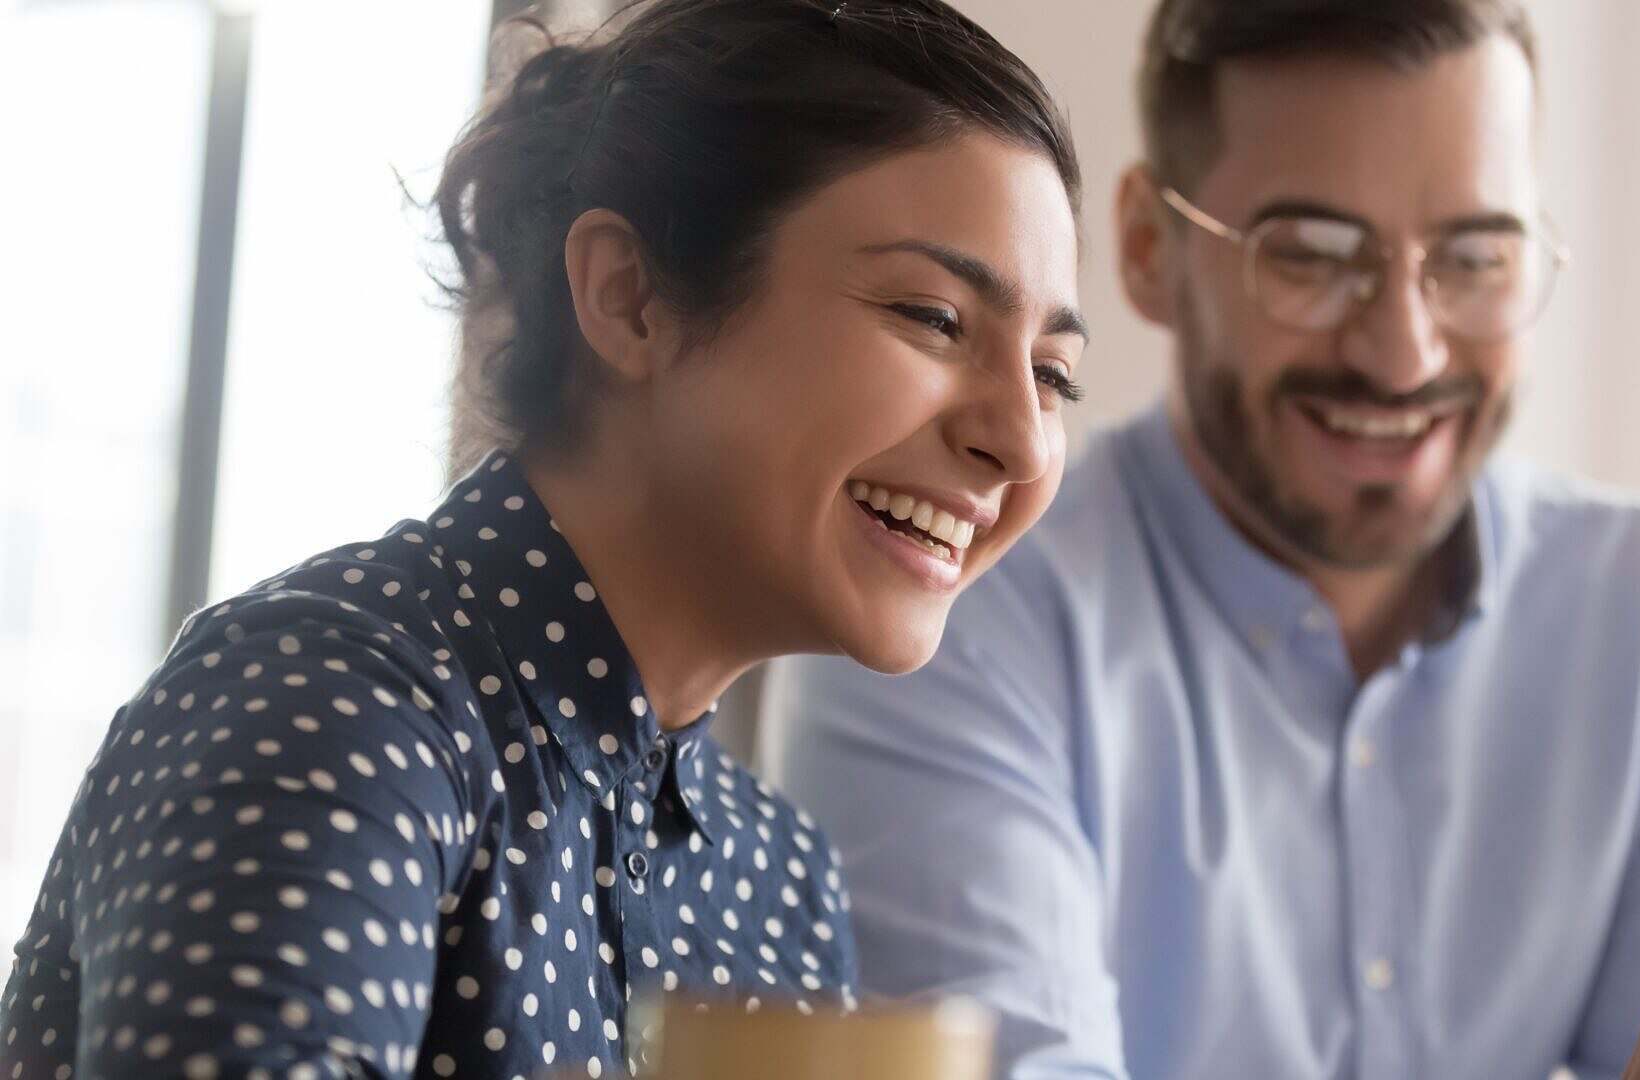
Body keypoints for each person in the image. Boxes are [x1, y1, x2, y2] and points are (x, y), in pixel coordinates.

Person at [761, 1, 1640, 1077]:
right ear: (1151, 251)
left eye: (1472, 259)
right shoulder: (941, 598)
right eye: (1312, 254)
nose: (1403, 354)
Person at [0, 1, 1089, 1076]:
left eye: (1053, 374)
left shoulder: (779, 880)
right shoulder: (335, 703)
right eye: (936, 318)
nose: (1024, 445)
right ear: (629, 299)